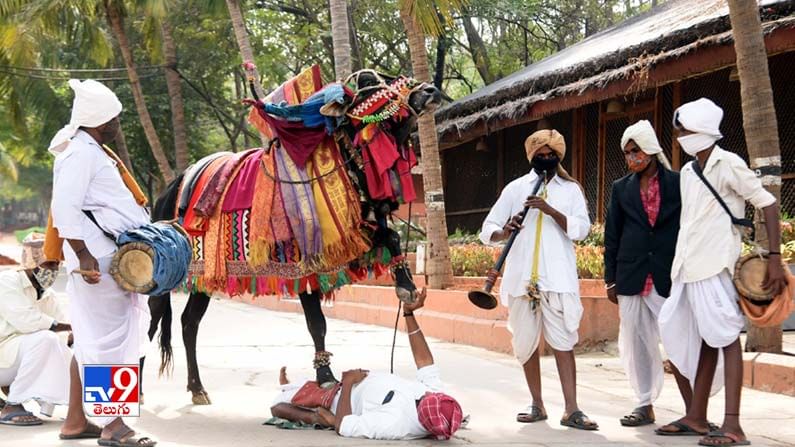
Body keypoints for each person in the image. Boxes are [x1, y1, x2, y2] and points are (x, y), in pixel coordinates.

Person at [657, 98, 788, 446]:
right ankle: (697, 416)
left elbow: (768, 203)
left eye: (683, 130)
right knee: (690, 335)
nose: (680, 136)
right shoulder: (687, 171)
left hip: (715, 264)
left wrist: (774, 256)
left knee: (726, 338)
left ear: (701, 132)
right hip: (687, 265)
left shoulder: (728, 164)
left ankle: (733, 425)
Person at [47, 79, 156, 446]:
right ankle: (115, 426)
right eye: (115, 120)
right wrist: (83, 254)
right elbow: (64, 208)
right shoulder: (79, 153)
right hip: (98, 261)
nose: (117, 125)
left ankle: (75, 421)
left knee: (93, 337)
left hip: (108, 258)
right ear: (101, 121)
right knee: (112, 341)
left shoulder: (91, 149)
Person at [478, 129, 597, 430]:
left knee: (563, 343)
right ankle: (537, 404)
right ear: (532, 157)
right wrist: (505, 230)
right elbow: (486, 229)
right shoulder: (516, 189)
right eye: (540, 155)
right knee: (526, 343)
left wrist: (549, 209)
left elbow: (582, 230)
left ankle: (572, 409)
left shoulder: (570, 190)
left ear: (558, 157)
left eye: (550, 155)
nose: (546, 159)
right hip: (520, 280)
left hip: (556, 279)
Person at [270, 289, 464, 440]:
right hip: (355, 381)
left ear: (421, 413)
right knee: (309, 386)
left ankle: (309, 408)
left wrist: (348, 383)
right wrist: (408, 314)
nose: (426, 393)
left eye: (424, 399)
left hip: (340, 399)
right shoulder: (437, 397)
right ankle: (296, 384)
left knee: (278, 405)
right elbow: (424, 362)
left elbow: (344, 426)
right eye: (430, 395)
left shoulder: (394, 426)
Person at [604, 120, 687, 427]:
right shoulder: (621, 188)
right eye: (627, 153)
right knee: (637, 341)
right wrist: (609, 279)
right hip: (630, 276)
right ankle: (643, 403)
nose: (631, 158)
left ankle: (694, 409)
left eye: (635, 151)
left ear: (650, 150)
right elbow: (612, 236)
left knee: (679, 339)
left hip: (667, 275)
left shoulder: (678, 183)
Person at [0, 261, 72, 426]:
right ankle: (12, 405)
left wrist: (74, 335)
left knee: (69, 350)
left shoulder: (49, 293)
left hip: (13, 354)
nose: (53, 271)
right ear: (31, 264)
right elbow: (27, 321)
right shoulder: (6, 281)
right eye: (48, 265)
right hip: (3, 351)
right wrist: (69, 328)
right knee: (46, 339)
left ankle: (82, 408)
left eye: (56, 265)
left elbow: (62, 330)